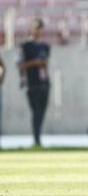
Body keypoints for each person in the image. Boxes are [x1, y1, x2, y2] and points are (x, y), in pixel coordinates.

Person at [18, 19, 50, 147]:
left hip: (44, 83)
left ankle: (38, 138)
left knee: (41, 112)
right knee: (36, 112)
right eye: (36, 28)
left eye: (40, 29)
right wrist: (35, 63)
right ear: (32, 29)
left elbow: (45, 64)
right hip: (32, 83)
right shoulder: (26, 46)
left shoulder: (45, 46)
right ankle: (36, 140)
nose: (38, 31)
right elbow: (20, 64)